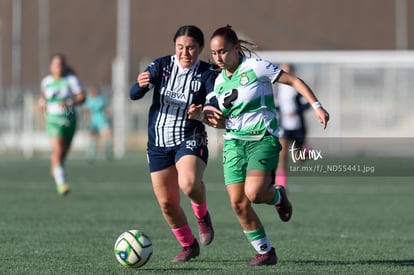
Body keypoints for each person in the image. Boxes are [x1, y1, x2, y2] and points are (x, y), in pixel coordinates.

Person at [189, 25, 329, 266]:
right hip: (233, 143)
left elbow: (294, 81)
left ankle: (277, 196)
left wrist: (316, 106)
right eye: (214, 54)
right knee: (238, 203)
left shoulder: (257, 67)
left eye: (223, 52)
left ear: (235, 48)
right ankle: (265, 252)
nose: (219, 58)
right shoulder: (220, 81)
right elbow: (225, 122)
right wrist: (201, 117)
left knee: (253, 193)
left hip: (262, 139)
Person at [129, 25, 217, 263]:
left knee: (188, 183)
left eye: (190, 48)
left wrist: (204, 110)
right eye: (180, 47)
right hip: (158, 142)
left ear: (199, 48)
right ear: (174, 47)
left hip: (190, 137)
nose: (185, 53)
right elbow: (135, 94)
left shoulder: (207, 73)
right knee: (168, 204)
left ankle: (201, 215)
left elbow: (214, 101)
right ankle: (189, 245)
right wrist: (140, 84)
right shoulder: (161, 66)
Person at [38, 53, 86, 195]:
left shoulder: (71, 80)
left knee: (62, 155)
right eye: (55, 64)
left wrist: (70, 102)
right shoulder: (46, 81)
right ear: (51, 67)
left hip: (70, 121)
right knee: (58, 150)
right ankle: (61, 184)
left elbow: (82, 97)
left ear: (64, 66)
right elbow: (43, 97)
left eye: (60, 64)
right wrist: (42, 104)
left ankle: (57, 166)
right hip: (53, 120)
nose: (58, 67)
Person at [274, 63, 311, 188]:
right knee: (282, 155)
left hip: (297, 126)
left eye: (287, 71)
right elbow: (276, 105)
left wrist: (296, 111)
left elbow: (306, 104)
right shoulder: (277, 89)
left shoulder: (297, 86)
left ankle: (306, 151)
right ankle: (281, 184)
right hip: (283, 127)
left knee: (299, 159)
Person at [83, 84, 113, 161]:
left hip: (102, 120)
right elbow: (87, 110)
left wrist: (109, 116)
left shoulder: (101, 98)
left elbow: (106, 108)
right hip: (93, 121)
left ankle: (108, 152)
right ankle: (91, 154)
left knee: (107, 136)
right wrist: (87, 120)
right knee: (93, 137)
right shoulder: (89, 99)